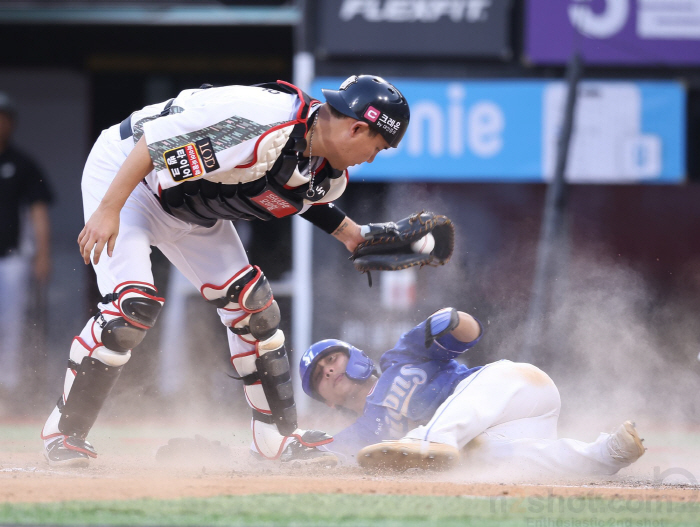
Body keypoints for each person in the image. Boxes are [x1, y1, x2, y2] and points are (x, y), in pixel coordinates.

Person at [41, 74, 411, 467]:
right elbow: (157, 142)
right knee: (130, 311)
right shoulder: (260, 121)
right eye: (377, 145)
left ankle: (275, 439)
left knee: (255, 309)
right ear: (356, 127)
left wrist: (353, 235)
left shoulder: (325, 173)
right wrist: (108, 208)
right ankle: (63, 433)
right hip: (128, 178)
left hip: (187, 205)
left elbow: (301, 192)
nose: (373, 157)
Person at [298, 307, 647, 478]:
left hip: (515, 388)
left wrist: (451, 319)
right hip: (507, 431)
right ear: (326, 399)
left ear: (354, 355)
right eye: (319, 376)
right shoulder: (360, 437)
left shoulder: (400, 358)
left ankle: (431, 438)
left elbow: (468, 332)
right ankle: (605, 454)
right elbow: (313, 456)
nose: (328, 370)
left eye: (331, 358)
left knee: (448, 444)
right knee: (484, 457)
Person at [0, 92, 53, 395]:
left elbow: (38, 210)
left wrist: (43, 255)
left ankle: (8, 387)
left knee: (12, 326)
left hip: (12, 258)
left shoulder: (22, 163)